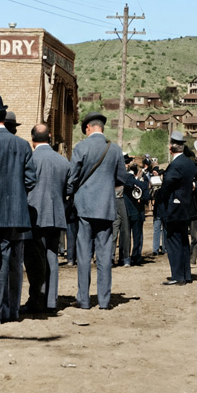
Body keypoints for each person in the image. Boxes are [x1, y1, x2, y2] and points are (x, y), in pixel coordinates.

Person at [0, 94, 37, 323]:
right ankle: (12, 311)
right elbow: (31, 179)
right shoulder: (22, 145)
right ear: (4, 116)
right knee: (15, 263)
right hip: (18, 213)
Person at [69, 111, 132, 310]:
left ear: (88, 128)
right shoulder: (114, 149)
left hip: (85, 208)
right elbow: (122, 178)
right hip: (106, 207)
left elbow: (72, 179)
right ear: (102, 128)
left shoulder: (81, 147)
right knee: (105, 256)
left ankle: (84, 299)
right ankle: (104, 301)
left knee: (84, 255)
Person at [23, 123, 72, 314]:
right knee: (52, 256)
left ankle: (37, 299)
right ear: (50, 137)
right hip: (56, 213)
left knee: (35, 259)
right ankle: (51, 300)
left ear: (32, 139)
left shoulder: (30, 159)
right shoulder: (63, 161)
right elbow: (69, 189)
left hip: (35, 214)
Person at [160, 132, 195, 285]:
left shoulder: (175, 164)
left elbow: (168, 183)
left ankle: (177, 276)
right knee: (183, 242)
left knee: (173, 242)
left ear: (171, 147)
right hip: (186, 207)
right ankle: (186, 274)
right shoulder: (188, 163)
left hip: (174, 208)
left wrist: (160, 196)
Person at [124, 164, 149, 265]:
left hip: (127, 212)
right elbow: (146, 192)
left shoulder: (124, 178)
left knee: (126, 237)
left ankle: (126, 257)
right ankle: (136, 257)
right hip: (137, 212)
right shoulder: (136, 180)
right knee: (137, 237)